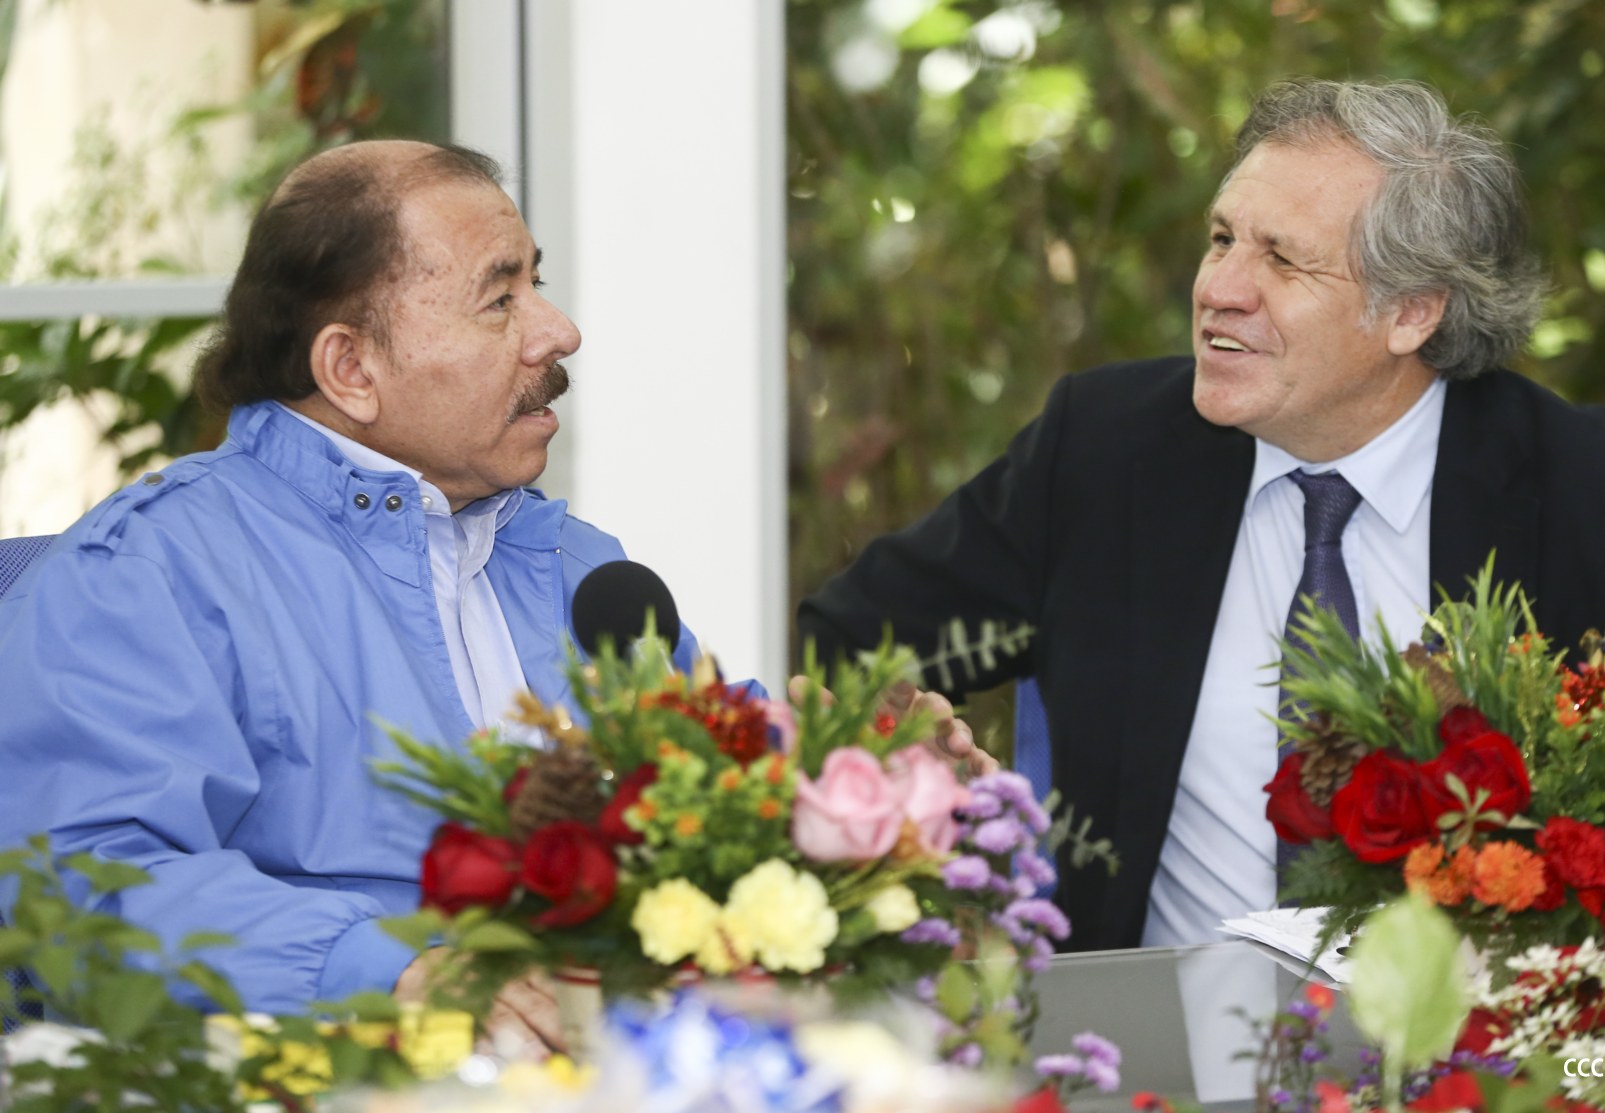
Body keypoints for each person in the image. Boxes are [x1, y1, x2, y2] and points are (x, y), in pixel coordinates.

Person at [0, 139, 989, 1050]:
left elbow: (701, 834)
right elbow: (76, 885)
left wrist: (847, 799)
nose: (559, 332)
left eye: (536, 284)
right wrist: (394, 973)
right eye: (499, 299)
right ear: (350, 367)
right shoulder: (148, 569)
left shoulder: (579, 569)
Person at [798, 78, 1605, 954]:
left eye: (1282, 260)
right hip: (1143, 1051)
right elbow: (844, 649)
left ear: (1411, 313)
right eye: (1222, 238)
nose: (1218, 288)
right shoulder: (1102, 454)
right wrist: (913, 751)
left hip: (1483, 1057)